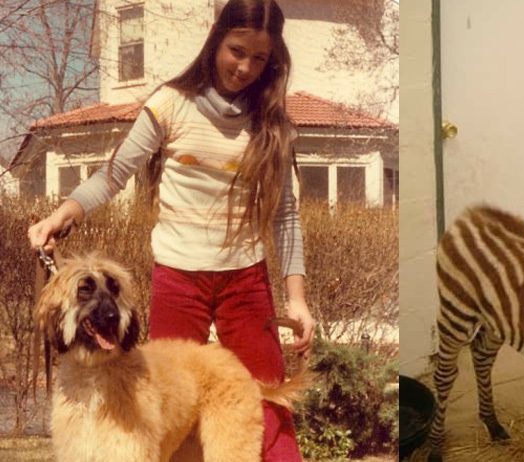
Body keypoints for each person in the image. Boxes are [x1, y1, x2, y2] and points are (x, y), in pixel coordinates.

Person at [27, 1, 314, 461]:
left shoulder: (273, 124)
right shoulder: (169, 104)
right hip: (178, 280)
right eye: (237, 50)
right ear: (216, 39)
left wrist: (295, 298)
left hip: (246, 280)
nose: (244, 67)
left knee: (270, 406)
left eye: (259, 58)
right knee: (163, 419)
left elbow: (285, 216)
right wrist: (61, 216)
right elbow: (113, 174)